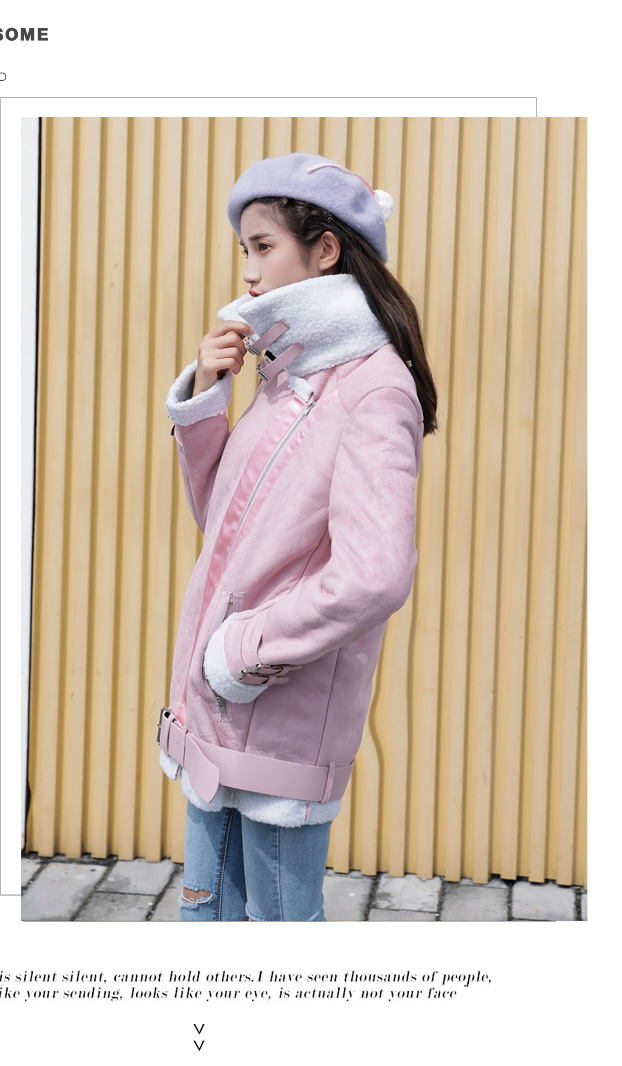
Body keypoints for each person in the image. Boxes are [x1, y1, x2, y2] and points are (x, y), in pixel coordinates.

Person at [157, 152, 438, 921]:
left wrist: (240, 654)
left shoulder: (374, 388)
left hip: (274, 718)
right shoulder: (283, 378)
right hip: (214, 719)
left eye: (263, 246)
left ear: (325, 250)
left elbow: (376, 574)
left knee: (278, 937)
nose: (248, 270)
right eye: (243, 249)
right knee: (205, 920)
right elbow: (225, 529)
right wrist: (206, 399)